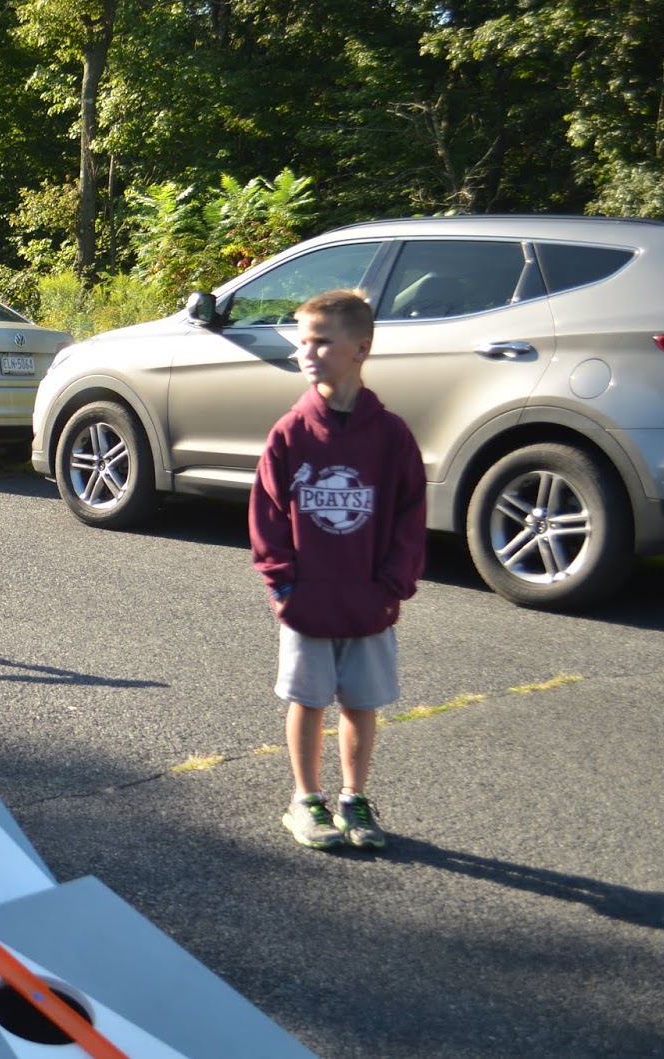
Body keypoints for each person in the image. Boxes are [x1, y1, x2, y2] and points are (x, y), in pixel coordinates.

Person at [249, 289, 426, 851]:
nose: (309, 352)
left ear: (361, 348)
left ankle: (354, 798)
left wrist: (392, 587)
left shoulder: (391, 435)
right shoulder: (291, 432)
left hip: (369, 602)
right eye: (303, 342)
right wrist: (284, 586)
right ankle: (306, 799)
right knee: (307, 700)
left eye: (322, 341)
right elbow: (267, 516)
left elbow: (409, 515)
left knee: (361, 704)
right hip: (308, 602)